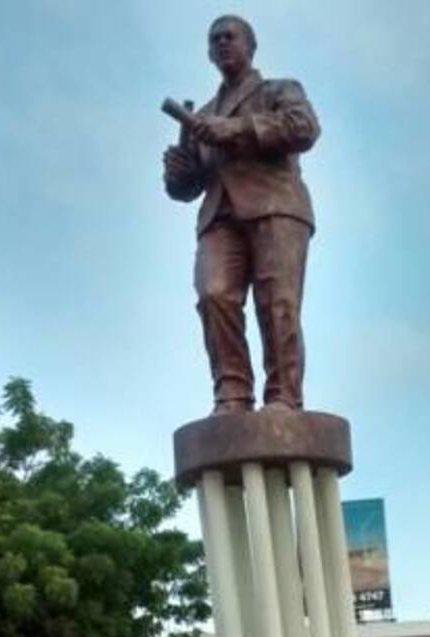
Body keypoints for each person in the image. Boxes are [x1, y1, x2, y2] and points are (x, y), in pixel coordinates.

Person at [162, 14, 321, 414]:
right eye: (214, 39)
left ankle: (284, 396)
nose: (221, 43)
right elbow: (186, 187)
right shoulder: (204, 113)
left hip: (275, 207)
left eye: (229, 36)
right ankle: (232, 393)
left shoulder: (279, 90)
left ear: (251, 46)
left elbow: (304, 128)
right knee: (213, 294)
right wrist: (178, 173)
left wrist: (235, 129)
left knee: (277, 303)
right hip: (219, 217)